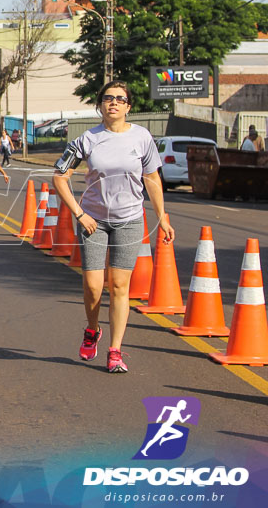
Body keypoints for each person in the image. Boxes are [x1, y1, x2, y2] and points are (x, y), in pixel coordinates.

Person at [53, 81, 174, 374]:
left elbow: (153, 180)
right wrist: (80, 214)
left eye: (120, 99)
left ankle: (115, 350)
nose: (114, 103)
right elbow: (59, 176)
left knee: (120, 286)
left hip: (130, 220)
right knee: (94, 288)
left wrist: (163, 217)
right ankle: (93, 330)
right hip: (93, 220)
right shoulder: (86, 139)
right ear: (100, 105)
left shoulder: (142, 138)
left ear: (128, 106)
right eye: (108, 98)